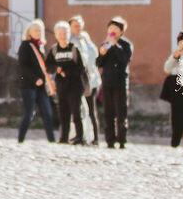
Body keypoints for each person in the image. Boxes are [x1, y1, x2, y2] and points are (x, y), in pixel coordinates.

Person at [14, 20, 57, 143]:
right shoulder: (25, 46)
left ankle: (51, 140)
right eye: (35, 30)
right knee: (29, 114)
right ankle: (20, 139)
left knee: (48, 113)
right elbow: (23, 66)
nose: (38, 32)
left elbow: (44, 66)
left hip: (41, 86)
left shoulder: (40, 46)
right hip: (28, 86)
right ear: (29, 32)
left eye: (40, 30)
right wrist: (35, 79)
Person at [48, 21, 88, 145]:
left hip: (75, 85)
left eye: (65, 33)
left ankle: (80, 137)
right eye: (60, 33)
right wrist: (57, 69)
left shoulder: (74, 49)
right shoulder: (54, 50)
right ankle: (63, 137)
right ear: (56, 35)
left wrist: (67, 71)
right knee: (63, 112)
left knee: (76, 112)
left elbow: (81, 68)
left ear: (68, 34)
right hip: (61, 85)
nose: (62, 36)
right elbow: (48, 66)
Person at [96, 17, 133, 149]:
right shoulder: (105, 44)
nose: (112, 31)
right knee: (108, 112)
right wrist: (102, 53)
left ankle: (122, 140)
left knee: (121, 112)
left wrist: (115, 45)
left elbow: (124, 60)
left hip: (120, 83)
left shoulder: (126, 45)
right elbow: (98, 63)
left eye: (115, 29)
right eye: (110, 28)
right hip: (107, 82)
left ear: (121, 32)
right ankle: (109, 140)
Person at [71, 15, 103, 147]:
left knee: (91, 109)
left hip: (91, 80)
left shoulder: (86, 40)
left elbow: (94, 58)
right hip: (77, 80)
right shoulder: (69, 41)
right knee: (79, 110)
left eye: (79, 25)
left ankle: (95, 138)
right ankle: (81, 136)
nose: (77, 28)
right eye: (75, 25)